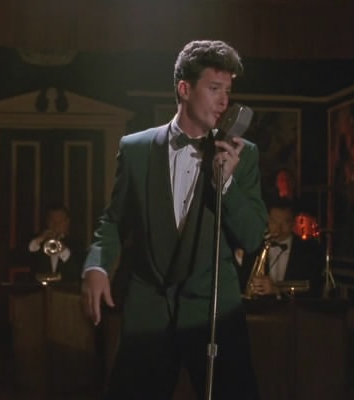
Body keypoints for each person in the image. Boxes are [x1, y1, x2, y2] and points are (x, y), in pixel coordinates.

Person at [81, 40, 267, 399]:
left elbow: (253, 236)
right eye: (214, 89)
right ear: (184, 89)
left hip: (214, 311)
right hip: (149, 311)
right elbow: (114, 220)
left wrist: (226, 184)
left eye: (228, 91)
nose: (224, 102)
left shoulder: (243, 155)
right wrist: (97, 265)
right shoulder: (135, 149)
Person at [241, 197, 324, 299]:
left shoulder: (309, 250)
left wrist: (277, 290)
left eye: (285, 222)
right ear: (268, 220)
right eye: (274, 221)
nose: (278, 228)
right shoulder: (254, 247)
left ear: (293, 223)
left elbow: (313, 288)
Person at [27, 204, 85, 283]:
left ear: (67, 222)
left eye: (60, 222)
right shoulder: (38, 242)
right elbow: (25, 254)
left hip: (66, 289)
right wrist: (41, 238)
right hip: (40, 288)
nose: (56, 225)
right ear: (47, 222)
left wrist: (63, 249)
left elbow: (77, 270)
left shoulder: (77, 244)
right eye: (52, 221)